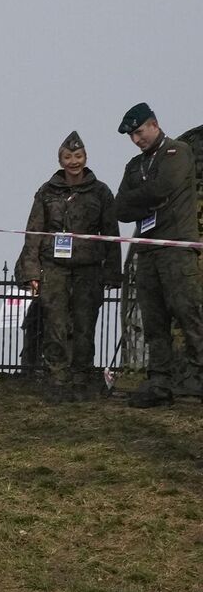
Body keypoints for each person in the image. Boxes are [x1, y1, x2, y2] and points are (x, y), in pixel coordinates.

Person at [15, 131, 121, 401]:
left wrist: (112, 272)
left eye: (78, 156)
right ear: (60, 160)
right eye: (67, 157)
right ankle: (57, 380)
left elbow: (111, 233)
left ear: (85, 158)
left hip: (89, 268)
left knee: (86, 325)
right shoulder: (47, 191)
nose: (73, 161)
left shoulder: (101, 192)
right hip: (54, 267)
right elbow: (34, 231)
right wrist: (30, 270)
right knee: (55, 324)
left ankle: (81, 379)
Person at [111, 102, 203, 408]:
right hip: (147, 249)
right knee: (154, 319)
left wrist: (146, 197)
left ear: (154, 124)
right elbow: (121, 208)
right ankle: (160, 382)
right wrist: (148, 200)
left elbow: (163, 187)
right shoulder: (134, 166)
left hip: (176, 246)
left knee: (189, 313)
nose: (137, 140)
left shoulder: (177, 151)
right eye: (132, 136)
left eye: (140, 132)